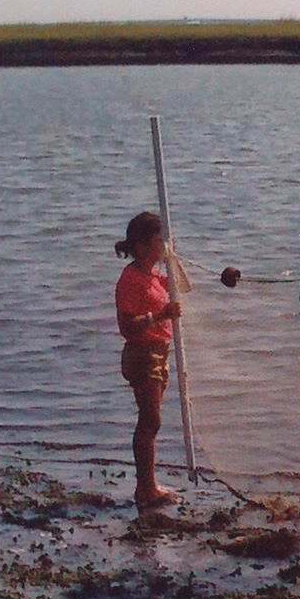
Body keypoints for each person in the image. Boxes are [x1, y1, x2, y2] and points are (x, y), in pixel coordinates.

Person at [115, 211, 183, 512]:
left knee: (152, 419)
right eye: (159, 241)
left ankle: (148, 484)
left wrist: (173, 258)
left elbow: (184, 287)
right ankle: (146, 487)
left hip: (159, 351)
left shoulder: (154, 275)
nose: (162, 246)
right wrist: (159, 316)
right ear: (142, 245)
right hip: (142, 353)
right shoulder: (131, 278)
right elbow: (127, 326)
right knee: (151, 419)